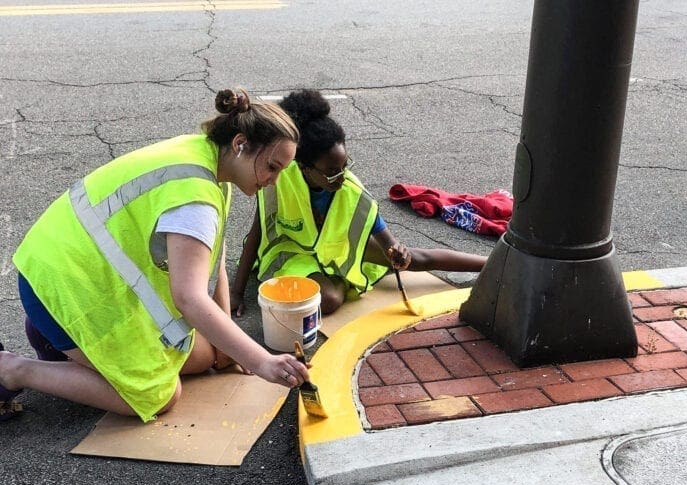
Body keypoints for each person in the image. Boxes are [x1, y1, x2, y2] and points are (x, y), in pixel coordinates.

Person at [0, 88, 311, 423]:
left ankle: (53, 341)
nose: (274, 181)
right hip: (61, 288)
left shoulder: (208, 160)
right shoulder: (195, 196)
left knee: (206, 355)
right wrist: (261, 361)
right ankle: (15, 370)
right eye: (271, 167)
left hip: (71, 271)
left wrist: (226, 349)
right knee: (160, 395)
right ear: (240, 144)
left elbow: (214, 256)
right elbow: (189, 299)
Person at [230, 89, 487, 317]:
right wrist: (236, 292)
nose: (341, 177)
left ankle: (491, 262)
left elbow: (393, 245)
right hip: (294, 253)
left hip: (338, 248)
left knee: (416, 258)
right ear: (304, 167)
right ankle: (348, 280)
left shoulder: (351, 189)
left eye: (344, 166)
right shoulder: (281, 180)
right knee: (328, 299)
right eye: (332, 171)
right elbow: (257, 233)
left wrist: (398, 252)